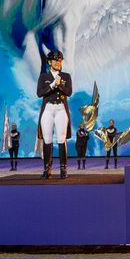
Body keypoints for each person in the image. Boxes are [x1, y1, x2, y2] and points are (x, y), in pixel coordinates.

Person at [37, 50, 73, 179]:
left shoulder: (66, 76)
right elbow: (39, 93)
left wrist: (60, 86)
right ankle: (47, 169)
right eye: (56, 60)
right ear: (49, 62)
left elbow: (69, 92)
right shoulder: (43, 77)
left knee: (61, 139)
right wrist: (52, 85)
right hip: (47, 109)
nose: (58, 63)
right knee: (47, 139)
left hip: (61, 109)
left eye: (60, 60)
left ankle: (63, 169)